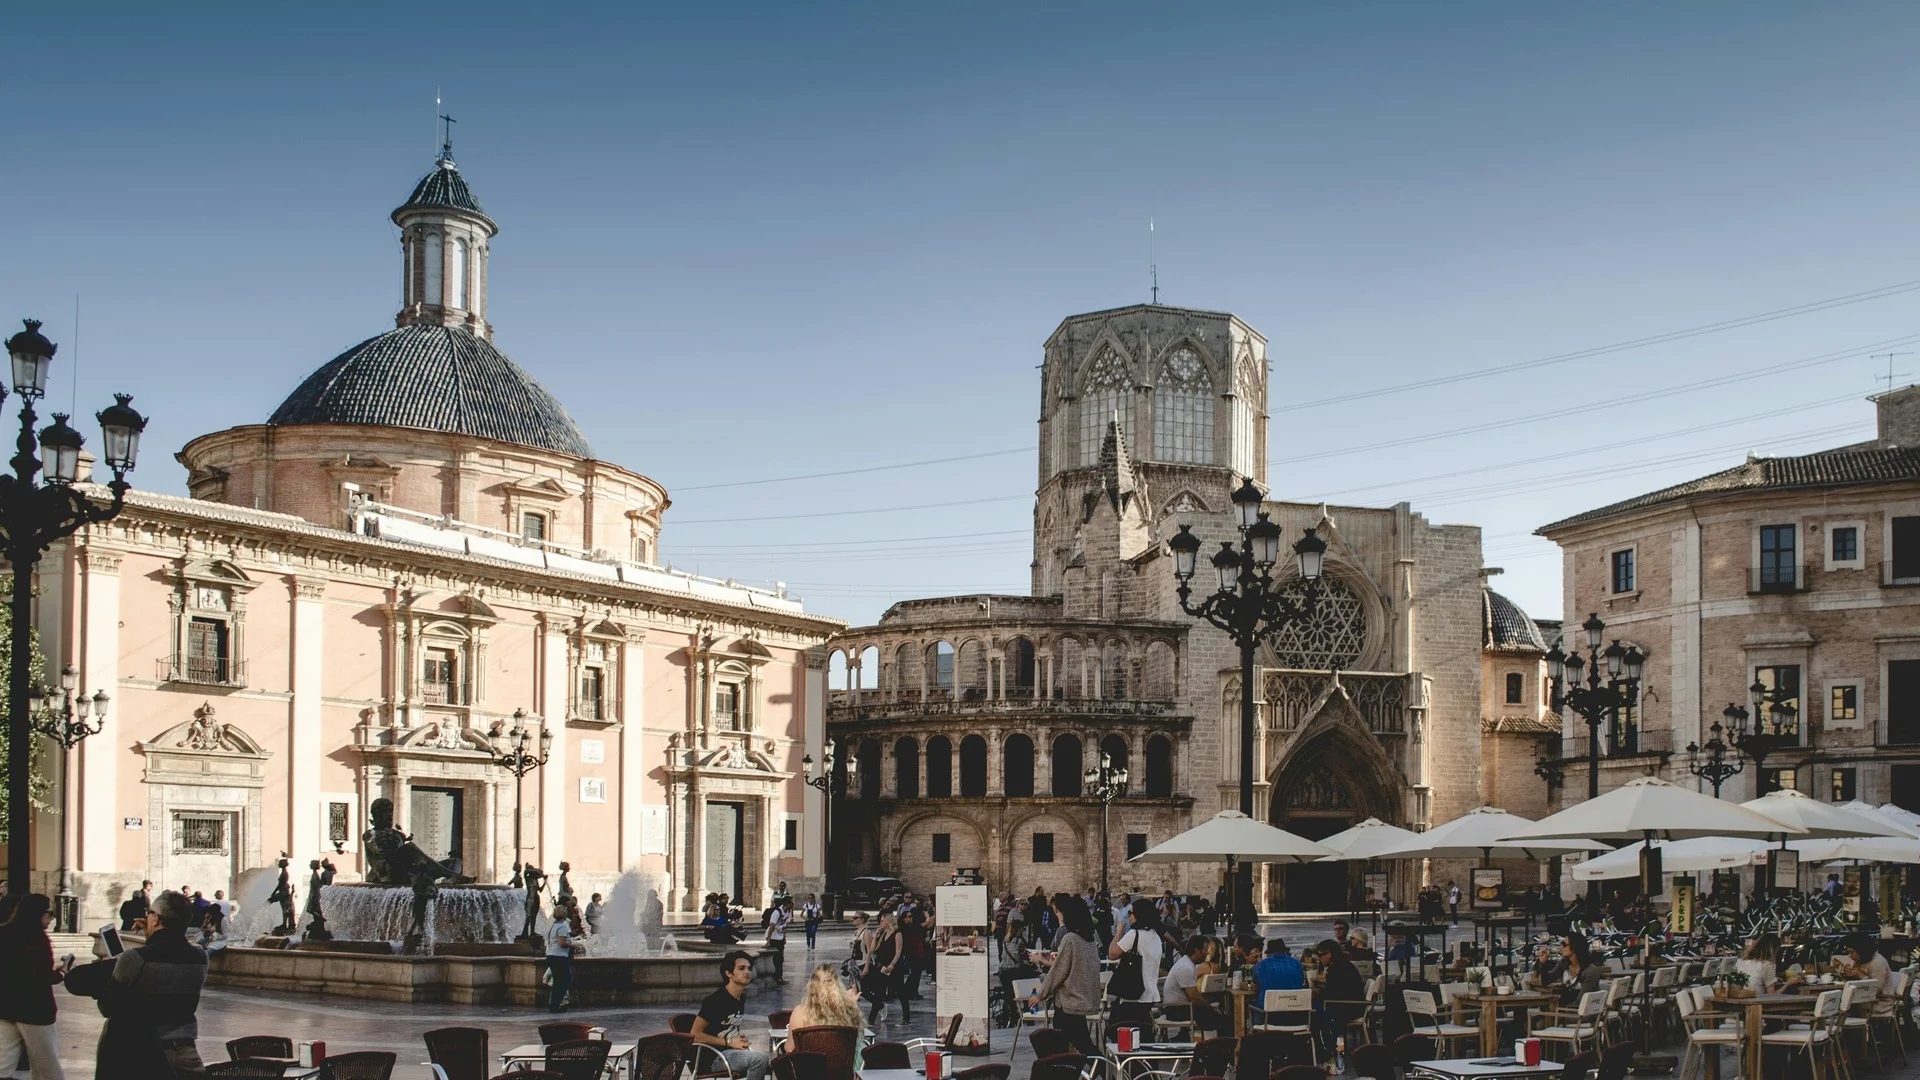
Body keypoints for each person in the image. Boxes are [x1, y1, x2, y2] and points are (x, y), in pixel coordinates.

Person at [75, 889, 210, 1076]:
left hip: (140, 1055)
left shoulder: (135, 958)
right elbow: (166, 965)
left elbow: (107, 1006)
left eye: (149, 914)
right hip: (183, 1053)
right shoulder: (200, 957)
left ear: (155, 918)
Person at [0, 893, 72, 1080]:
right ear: (37, 914)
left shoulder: (4, 932)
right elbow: (41, 975)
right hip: (33, 1010)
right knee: (47, 1067)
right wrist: (62, 973)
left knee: (3, 1064)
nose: (51, 918)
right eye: (49, 913)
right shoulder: (36, 939)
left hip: (5, 1007)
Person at [1029, 894, 1100, 1056]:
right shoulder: (1088, 939)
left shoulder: (1070, 939)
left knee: (1072, 1047)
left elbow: (1058, 971)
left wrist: (1041, 995)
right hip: (1080, 1001)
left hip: (1068, 1003)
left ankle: (1106, 1071)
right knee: (1082, 1044)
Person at [694, 950, 771, 1080]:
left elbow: (725, 1028)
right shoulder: (715, 1000)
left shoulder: (740, 997)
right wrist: (729, 1042)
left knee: (773, 1063)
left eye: (749, 968)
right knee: (759, 1060)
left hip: (731, 1053)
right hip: (714, 1057)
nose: (747, 972)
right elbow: (695, 1035)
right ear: (729, 973)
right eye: (741, 968)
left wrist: (736, 1038)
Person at [783, 964, 862, 1052]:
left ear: (812, 986)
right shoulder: (846, 1011)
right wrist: (851, 1005)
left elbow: (789, 1048)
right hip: (843, 1064)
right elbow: (858, 1039)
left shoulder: (800, 1012)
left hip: (810, 1064)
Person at [1162, 935, 1228, 1036]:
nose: (1207, 953)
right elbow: (1194, 998)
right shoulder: (1186, 967)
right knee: (1223, 1021)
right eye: (1205, 950)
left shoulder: (1187, 964)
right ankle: (1223, 1046)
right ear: (1197, 951)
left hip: (1181, 1007)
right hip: (1176, 1010)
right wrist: (1211, 1009)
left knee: (1217, 1016)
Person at [1108, 898, 1164, 1005]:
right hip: (1150, 993)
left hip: (1133, 994)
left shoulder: (1134, 935)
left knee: (1119, 1021)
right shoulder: (1155, 936)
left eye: (1131, 913)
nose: (1129, 916)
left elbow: (1112, 954)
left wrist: (1119, 932)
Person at [864, 912, 910, 1024]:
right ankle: (871, 1020)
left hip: (893, 967)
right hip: (882, 967)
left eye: (882, 921)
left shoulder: (897, 934)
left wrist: (892, 964)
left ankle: (906, 1018)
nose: (880, 923)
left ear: (888, 921)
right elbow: (873, 949)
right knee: (879, 993)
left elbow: (898, 952)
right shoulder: (883, 934)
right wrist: (876, 935)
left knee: (900, 992)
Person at [1536, 931, 1602, 1004]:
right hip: (1565, 1009)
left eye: (1564, 945)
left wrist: (1559, 1012)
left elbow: (1581, 1001)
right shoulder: (1564, 963)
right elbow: (1546, 981)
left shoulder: (1589, 971)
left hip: (1579, 1012)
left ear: (1574, 947)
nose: (1561, 947)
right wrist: (1543, 963)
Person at [544, 902, 576, 1012]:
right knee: (566, 981)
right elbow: (562, 943)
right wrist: (573, 946)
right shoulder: (562, 926)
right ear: (564, 914)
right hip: (559, 957)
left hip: (551, 955)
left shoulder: (553, 925)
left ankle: (554, 1005)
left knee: (557, 982)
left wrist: (571, 934)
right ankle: (556, 1005)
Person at [765, 897, 791, 984]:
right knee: (776, 958)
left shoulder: (788, 912)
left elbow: (785, 925)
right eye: (791, 904)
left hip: (780, 937)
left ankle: (779, 977)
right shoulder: (777, 912)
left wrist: (784, 937)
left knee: (781, 958)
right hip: (773, 937)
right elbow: (771, 926)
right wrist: (768, 941)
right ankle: (776, 977)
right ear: (786, 904)